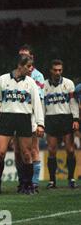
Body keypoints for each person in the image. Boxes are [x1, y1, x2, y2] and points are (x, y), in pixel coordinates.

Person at [0, 55, 45, 195]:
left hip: (24, 118)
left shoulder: (31, 83)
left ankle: (27, 185)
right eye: (28, 66)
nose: (31, 69)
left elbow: (37, 104)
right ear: (20, 66)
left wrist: (40, 124)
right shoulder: (2, 79)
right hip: (7, 118)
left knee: (27, 154)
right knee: (0, 153)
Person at [43, 60, 79, 189]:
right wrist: (40, 122)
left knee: (70, 150)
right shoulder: (44, 85)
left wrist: (75, 118)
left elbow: (73, 102)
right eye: (55, 70)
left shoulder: (69, 83)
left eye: (60, 70)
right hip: (51, 119)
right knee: (52, 150)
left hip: (66, 118)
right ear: (51, 71)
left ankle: (71, 178)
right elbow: (42, 105)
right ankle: (52, 181)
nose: (58, 72)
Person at [14, 45, 45, 193]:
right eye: (20, 55)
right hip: (17, 116)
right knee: (17, 151)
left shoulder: (37, 76)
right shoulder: (13, 75)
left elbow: (37, 99)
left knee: (33, 149)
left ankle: (34, 182)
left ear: (32, 58)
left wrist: (40, 122)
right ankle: (22, 181)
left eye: (25, 55)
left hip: (31, 116)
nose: (23, 57)